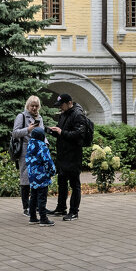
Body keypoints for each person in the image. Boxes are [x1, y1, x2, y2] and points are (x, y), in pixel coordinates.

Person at [47, 92, 87, 221]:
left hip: (73, 155)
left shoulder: (78, 114)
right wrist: (52, 131)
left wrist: (62, 132)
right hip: (63, 155)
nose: (60, 108)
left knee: (74, 184)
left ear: (69, 103)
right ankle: (61, 208)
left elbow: (79, 135)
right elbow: (62, 133)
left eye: (61, 105)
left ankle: (74, 212)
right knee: (62, 182)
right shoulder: (64, 114)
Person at [11, 94, 44, 215]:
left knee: (36, 178)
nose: (34, 108)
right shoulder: (21, 116)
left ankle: (34, 206)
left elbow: (42, 133)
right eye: (32, 106)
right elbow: (15, 133)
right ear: (28, 105)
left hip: (37, 151)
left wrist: (46, 144)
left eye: (36, 106)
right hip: (25, 150)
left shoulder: (39, 117)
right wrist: (28, 129)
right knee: (25, 179)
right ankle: (26, 207)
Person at [24, 127, 55, 226]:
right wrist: (52, 171)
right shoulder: (42, 146)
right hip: (42, 176)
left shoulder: (30, 145)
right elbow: (47, 161)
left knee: (33, 196)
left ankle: (32, 217)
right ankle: (43, 218)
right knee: (42, 197)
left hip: (32, 175)